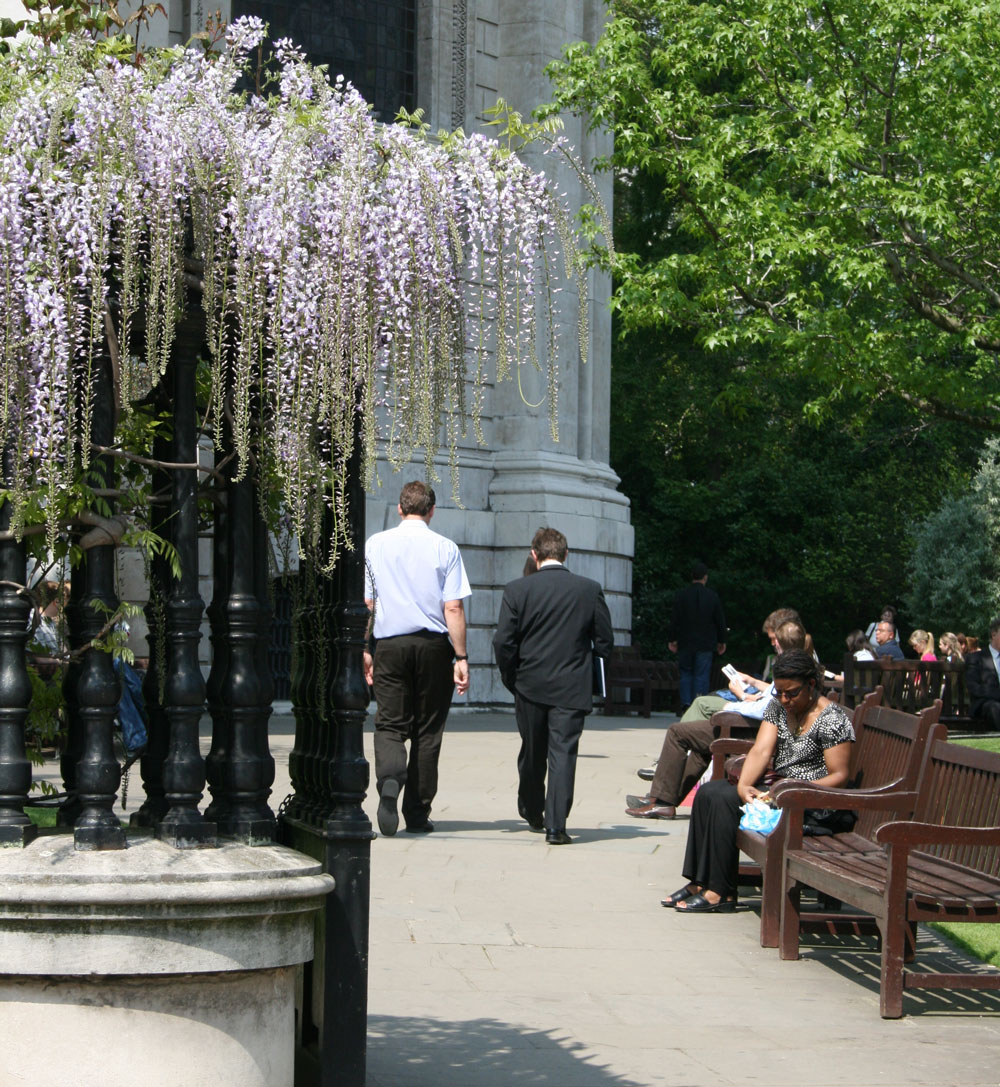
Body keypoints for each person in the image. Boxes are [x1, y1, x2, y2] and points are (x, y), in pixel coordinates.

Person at [663, 649, 854, 912]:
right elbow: (761, 751)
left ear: (811, 685)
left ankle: (720, 892)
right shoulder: (778, 707)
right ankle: (700, 882)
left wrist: (792, 790)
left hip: (815, 805)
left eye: (792, 693)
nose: (785, 699)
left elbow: (839, 775)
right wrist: (744, 786)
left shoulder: (832, 718)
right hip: (783, 794)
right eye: (779, 692)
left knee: (723, 801)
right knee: (710, 793)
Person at [363, 481, 471, 837]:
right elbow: (452, 607)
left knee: (390, 723)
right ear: (431, 511)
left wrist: (366, 648)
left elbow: (369, 604)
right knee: (428, 730)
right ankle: (418, 812)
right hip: (433, 646)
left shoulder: (375, 545)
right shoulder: (445, 548)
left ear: (399, 508)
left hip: (390, 644)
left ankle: (390, 779)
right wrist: (461, 656)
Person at [493, 527, 613, 845]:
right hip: (572, 687)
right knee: (563, 752)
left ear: (534, 555)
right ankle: (556, 826)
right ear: (565, 553)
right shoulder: (589, 590)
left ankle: (533, 810)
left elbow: (503, 641)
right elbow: (604, 641)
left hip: (529, 684)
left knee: (533, 751)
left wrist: (511, 677)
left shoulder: (517, 590)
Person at [626, 618, 807, 819]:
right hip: (761, 730)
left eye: (775, 640)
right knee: (699, 747)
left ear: (780, 643)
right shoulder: (799, 664)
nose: (773, 643)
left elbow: (766, 709)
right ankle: (663, 800)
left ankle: (661, 801)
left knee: (677, 732)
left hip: (756, 733)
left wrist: (735, 702)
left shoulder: (789, 668)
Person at [666, 562, 727, 710]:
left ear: (692, 577)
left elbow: (675, 619)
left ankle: (686, 703)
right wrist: (722, 640)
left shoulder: (682, 595)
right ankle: (699, 704)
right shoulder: (712, 596)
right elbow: (720, 620)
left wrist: (672, 638)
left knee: (686, 672)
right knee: (702, 674)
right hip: (706, 643)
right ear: (705, 577)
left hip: (685, 641)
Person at [965, 619, 1000, 730]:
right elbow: (973, 688)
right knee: (994, 707)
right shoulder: (976, 658)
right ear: (994, 634)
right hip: (985, 703)